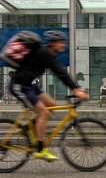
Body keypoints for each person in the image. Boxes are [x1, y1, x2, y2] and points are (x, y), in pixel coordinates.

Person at [9, 30, 88, 161]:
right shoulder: (44, 53)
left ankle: (27, 129)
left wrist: (76, 88)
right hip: (20, 87)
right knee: (44, 113)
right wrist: (75, 89)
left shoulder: (46, 53)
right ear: (52, 43)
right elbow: (60, 72)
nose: (64, 45)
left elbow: (59, 70)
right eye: (61, 42)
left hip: (30, 86)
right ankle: (40, 150)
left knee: (51, 104)